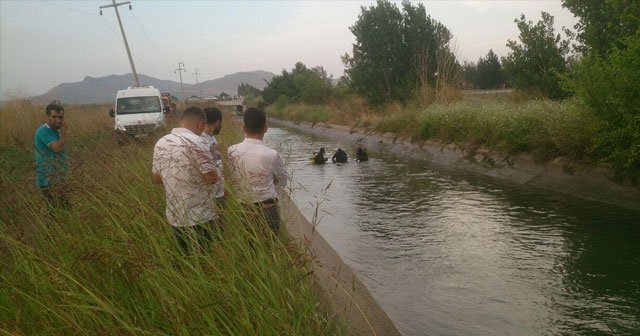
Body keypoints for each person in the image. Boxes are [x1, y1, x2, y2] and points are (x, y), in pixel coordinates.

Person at [152, 106, 220, 254]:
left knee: (184, 256)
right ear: (201, 124)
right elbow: (211, 178)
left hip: (175, 215)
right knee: (206, 257)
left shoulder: (161, 142)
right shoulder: (199, 142)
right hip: (201, 216)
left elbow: (157, 178)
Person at [227, 107, 288, 234]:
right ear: (265, 128)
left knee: (250, 246)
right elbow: (283, 181)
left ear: (243, 128)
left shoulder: (231, 150)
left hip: (244, 208)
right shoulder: (271, 154)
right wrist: (271, 180)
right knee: (270, 247)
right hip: (268, 209)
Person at [34, 104, 69, 209]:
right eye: (54, 117)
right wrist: (65, 134)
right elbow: (57, 148)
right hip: (48, 178)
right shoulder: (42, 131)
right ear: (47, 116)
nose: (58, 120)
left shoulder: (56, 131)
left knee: (65, 208)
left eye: (61, 117)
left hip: (59, 177)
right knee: (55, 210)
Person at [202, 107, 225, 208]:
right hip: (209, 194)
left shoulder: (212, 138)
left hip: (218, 191)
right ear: (217, 122)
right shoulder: (200, 141)